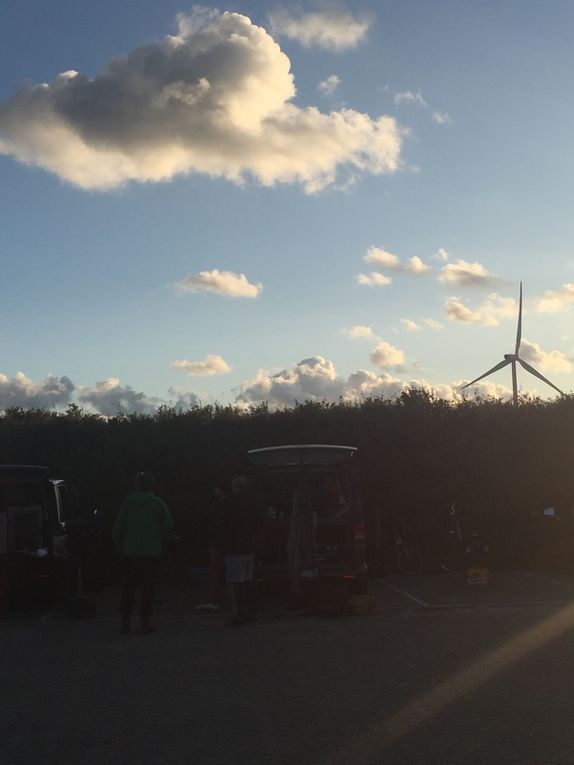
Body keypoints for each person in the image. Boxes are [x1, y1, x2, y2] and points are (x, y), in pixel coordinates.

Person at [112, 471, 173, 635]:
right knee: (148, 588)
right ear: (152, 485)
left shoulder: (127, 503)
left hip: (130, 552)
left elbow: (117, 529)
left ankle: (125, 624)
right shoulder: (158, 503)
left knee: (128, 588)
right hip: (151, 553)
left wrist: (121, 549)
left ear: (136, 485)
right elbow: (168, 525)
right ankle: (144, 622)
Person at [221, 476, 264, 626]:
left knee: (236, 582)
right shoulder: (255, 502)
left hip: (234, 547)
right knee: (249, 580)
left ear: (235, 487)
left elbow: (222, 525)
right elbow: (261, 521)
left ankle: (240, 613)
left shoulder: (228, 503)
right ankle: (253, 612)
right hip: (250, 547)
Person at [195, 484, 226, 612]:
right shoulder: (226, 504)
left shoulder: (219, 505)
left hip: (217, 541)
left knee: (215, 570)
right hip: (225, 541)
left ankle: (213, 600)